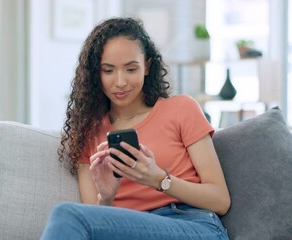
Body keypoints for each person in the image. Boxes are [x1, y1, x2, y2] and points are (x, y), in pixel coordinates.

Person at [40, 17, 230, 240]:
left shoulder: (182, 109)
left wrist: (160, 179)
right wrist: (107, 196)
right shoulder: (87, 133)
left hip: (192, 224)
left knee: (66, 214)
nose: (120, 82)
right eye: (108, 71)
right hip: (128, 230)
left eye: (131, 69)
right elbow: (93, 223)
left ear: (147, 67)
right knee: (72, 216)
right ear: (96, 74)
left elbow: (221, 200)